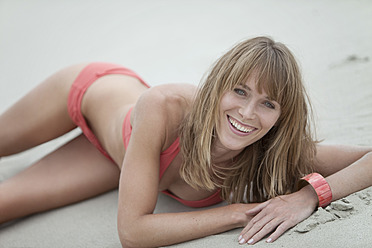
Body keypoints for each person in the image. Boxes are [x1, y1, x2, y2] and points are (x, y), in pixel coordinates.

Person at [0, 36, 371, 248]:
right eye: (239, 91)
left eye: (268, 103)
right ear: (216, 86)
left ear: (281, 116)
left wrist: (305, 197)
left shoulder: (275, 147)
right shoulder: (162, 106)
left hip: (115, 159)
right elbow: (132, 232)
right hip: (87, 91)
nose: (247, 113)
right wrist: (243, 212)